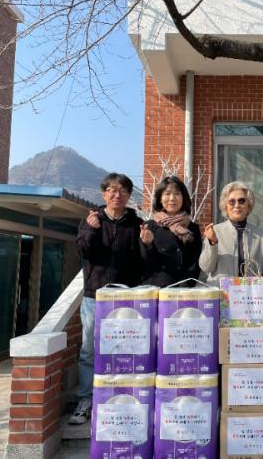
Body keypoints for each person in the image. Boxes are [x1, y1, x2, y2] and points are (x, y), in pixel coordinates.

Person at [69, 173, 144, 425]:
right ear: (104, 194)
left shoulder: (136, 224)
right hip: (95, 296)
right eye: (112, 190)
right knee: (89, 350)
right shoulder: (91, 219)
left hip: (126, 297)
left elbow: (142, 260)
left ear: (129, 195)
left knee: (126, 349)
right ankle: (85, 400)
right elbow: (83, 251)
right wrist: (91, 230)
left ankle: (121, 398)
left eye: (122, 190)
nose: (117, 194)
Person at [199, 181, 263, 283]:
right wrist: (212, 243)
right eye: (231, 202)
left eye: (241, 201)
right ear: (225, 206)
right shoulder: (215, 232)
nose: (237, 205)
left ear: (248, 205)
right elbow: (206, 267)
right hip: (222, 291)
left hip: (251, 292)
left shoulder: (261, 236)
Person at [140, 176, 202, 287]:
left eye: (177, 194)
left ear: (183, 198)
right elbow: (145, 263)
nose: (172, 198)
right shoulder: (149, 226)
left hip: (183, 290)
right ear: (160, 198)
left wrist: (185, 286)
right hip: (156, 289)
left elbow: (195, 263)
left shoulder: (192, 228)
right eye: (167, 194)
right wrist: (147, 245)